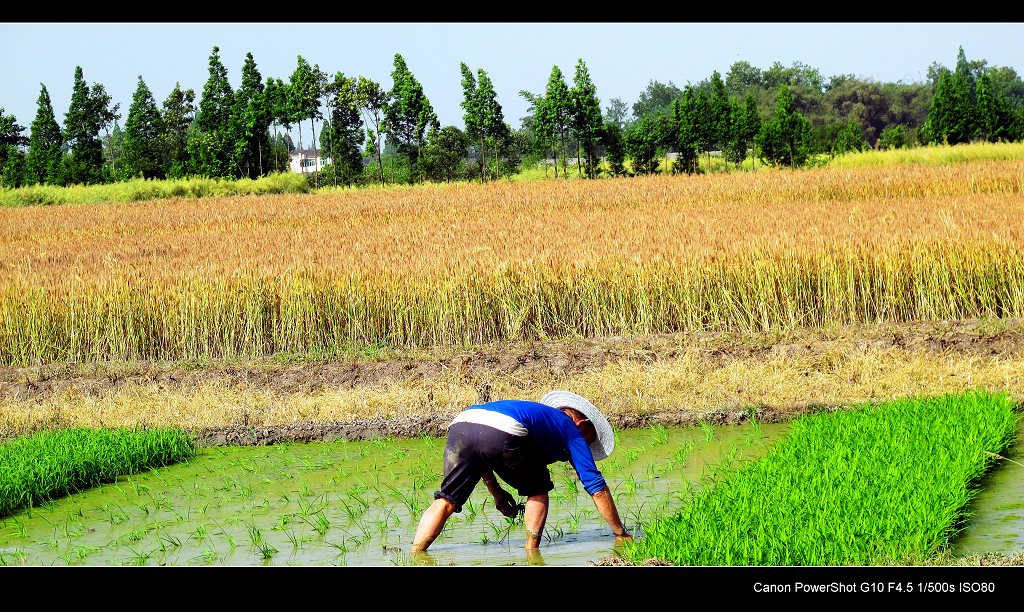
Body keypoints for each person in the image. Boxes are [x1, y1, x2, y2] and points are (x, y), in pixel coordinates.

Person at [410, 390, 632, 552]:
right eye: (588, 442)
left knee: (446, 500)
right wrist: (620, 533)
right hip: (502, 428)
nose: (584, 448)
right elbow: (596, 488)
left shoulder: (540, 419)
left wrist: (496, 492)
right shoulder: (569, 428)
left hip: (462, 423)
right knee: (538, 490)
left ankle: (415, 554)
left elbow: (481, 450)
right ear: (582, 424)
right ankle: (531, 553)